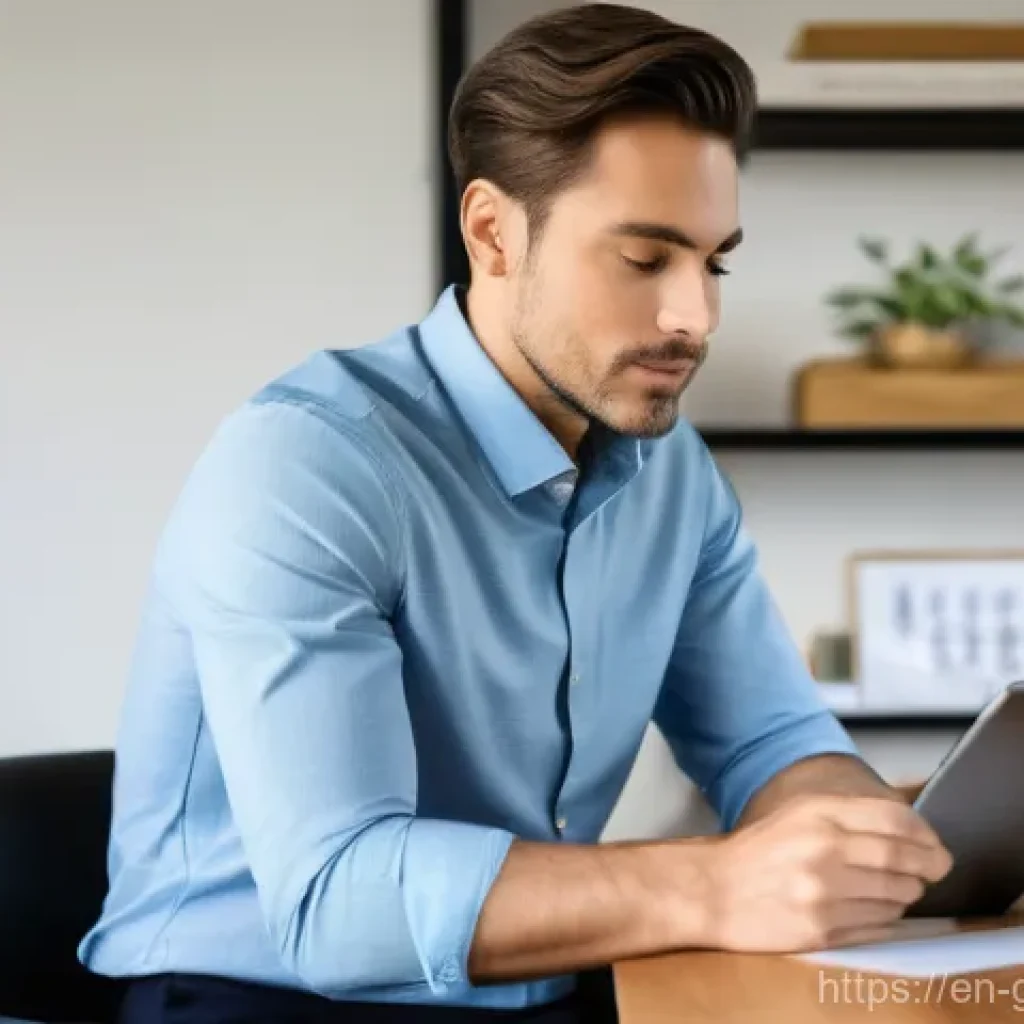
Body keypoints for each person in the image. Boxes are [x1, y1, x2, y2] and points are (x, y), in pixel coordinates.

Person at [80, 4, 953, 1022]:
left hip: (545, 980)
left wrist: (865, 841)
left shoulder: (672, 473)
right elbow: (336, 904)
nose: (696, 316)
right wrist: (718, 883)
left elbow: (770, 739)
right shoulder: (305, 462)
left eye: (714, 262)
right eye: (645, 260)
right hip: (256, 996)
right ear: (493, 232)